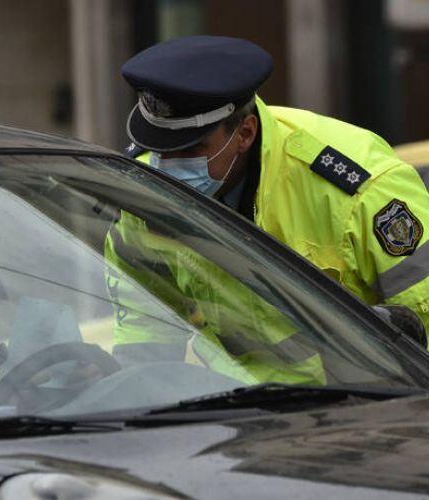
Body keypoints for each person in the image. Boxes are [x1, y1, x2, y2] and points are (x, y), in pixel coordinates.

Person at [105, 36, 429, 377]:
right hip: (228, 403)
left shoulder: (357, 188)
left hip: (359, 403)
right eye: (158, 149)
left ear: (245, 133)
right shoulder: (144, 193)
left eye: (190, 149)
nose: (167, 166)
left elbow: (423, 314)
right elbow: (145, 333)